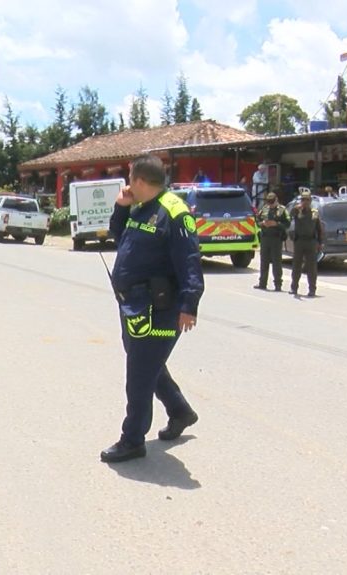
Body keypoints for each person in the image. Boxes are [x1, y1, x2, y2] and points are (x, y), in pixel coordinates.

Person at [100, 154, 204, 464]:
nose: (128, 184)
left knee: (139, 374)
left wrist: (189, 304)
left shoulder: (174, 212)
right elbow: (121, 237)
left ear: (141, 181)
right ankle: (180, 411)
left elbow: (190, 261)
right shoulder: (143, 209)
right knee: (145, 362)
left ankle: (132, 439)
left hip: (160, 308)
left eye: (131, 178)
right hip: (134, 305)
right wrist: (121, 207)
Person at [289, 189, 323, 298]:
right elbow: (289, 216)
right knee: (296, 266)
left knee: (311, 267)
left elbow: (319, 229)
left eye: (307, 200)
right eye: (303, 199)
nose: (305, 202)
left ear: (310, 200)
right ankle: (294, 288)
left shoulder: (314, 213)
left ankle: (312, 289)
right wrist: (297, 208)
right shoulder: (297, 211)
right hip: (299, 241)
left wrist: (320, 242)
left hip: (311, 241)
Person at [255, 192, 290, 291]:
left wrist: (276, 224)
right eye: (269, 202)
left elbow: (287, 223)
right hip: (265, 238)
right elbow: (257, 220)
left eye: (272, 202)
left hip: (276, 238)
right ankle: (262, 283)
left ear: (276, 200)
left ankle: (278, 284)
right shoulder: (264, 208)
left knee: (276, 262)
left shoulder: (282, 210)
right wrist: (262, 223)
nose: (270, 204)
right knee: (264, 261)